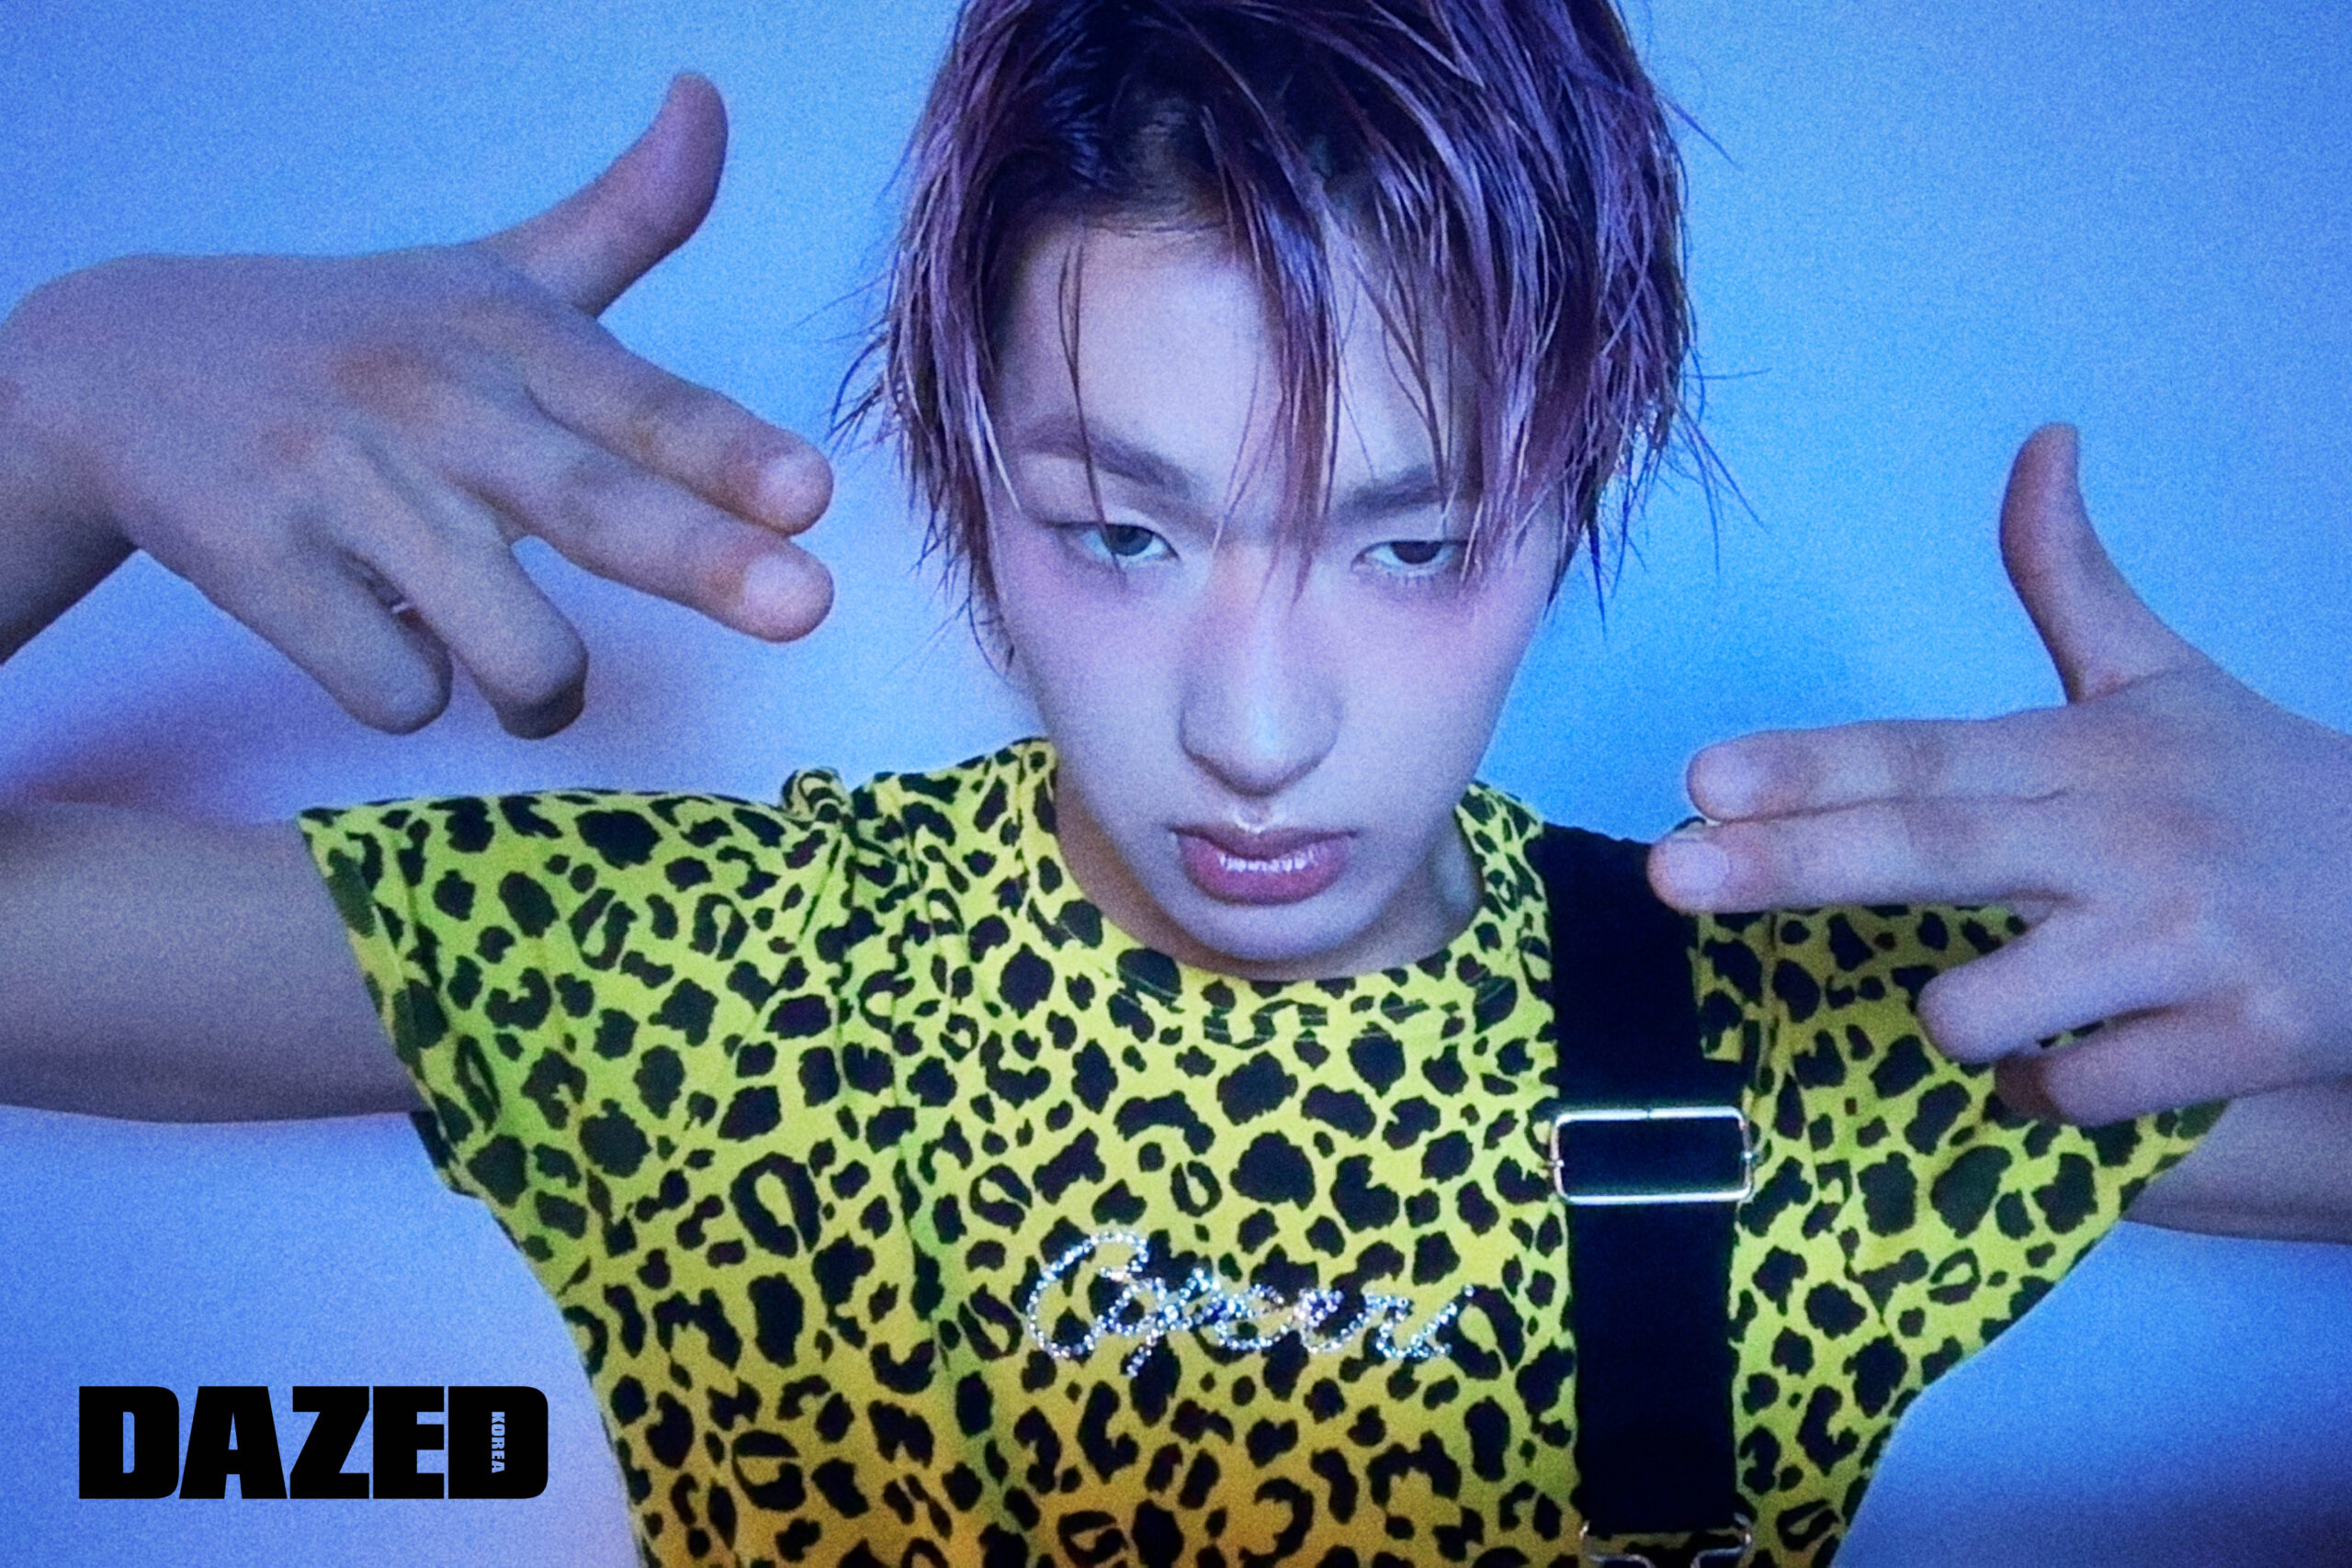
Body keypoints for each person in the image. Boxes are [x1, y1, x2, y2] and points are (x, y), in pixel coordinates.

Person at [1, 1, 2346, 1564]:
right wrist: (46, 411)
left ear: (1575, 494)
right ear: (966, 470)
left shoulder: (1783, 1035)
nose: (1253, 725)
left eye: (1411, 540)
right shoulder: (734, 980)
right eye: (1119, 529)